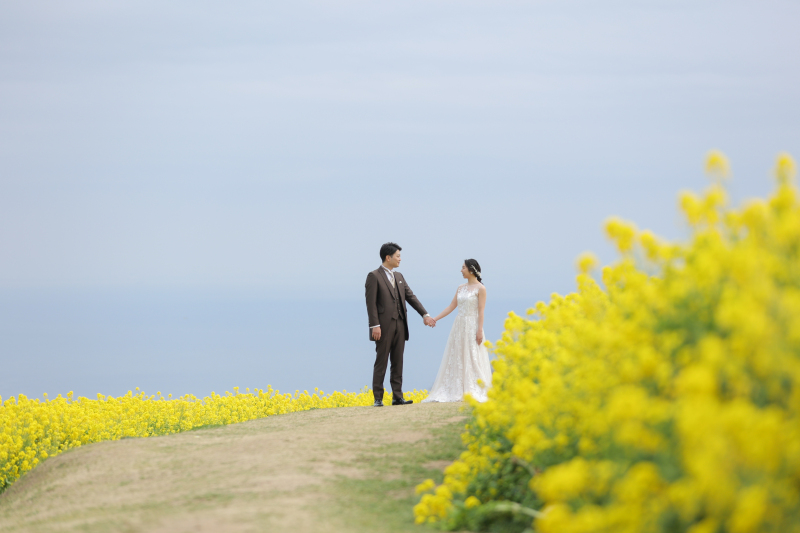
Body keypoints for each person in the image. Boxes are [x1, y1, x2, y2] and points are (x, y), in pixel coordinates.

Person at [365, 242, 436, 407]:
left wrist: (425, 315)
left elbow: (410, 297)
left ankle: (397, 396)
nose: (400, 259)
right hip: (382, 327)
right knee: (381, 361)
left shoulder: (399, 277)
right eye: (398, 256)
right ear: (388, 257)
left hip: (400, 325)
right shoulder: (373, 276)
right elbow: (371, 304)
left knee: (398, 361)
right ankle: (378, 398)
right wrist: (374, 325)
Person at [423, 259, 493, 403]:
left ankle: (473, 388)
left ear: (471, 270)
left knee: (473, 356)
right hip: (459, 326)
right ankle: (457, 388)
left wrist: (479, 330)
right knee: (458, 355)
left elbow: (481, 311)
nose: (461, 270)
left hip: (473, 325)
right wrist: (435, 318)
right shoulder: (460, 287)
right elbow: (451, 306)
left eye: (463, 268)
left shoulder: (481, 289)